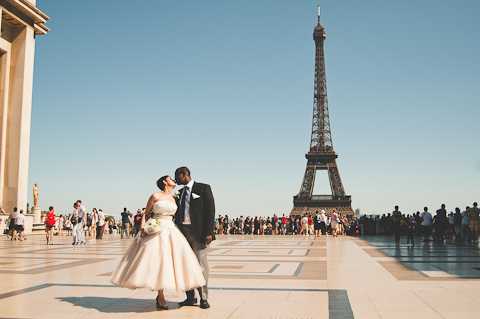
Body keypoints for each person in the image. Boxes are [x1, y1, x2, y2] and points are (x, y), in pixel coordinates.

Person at [111, 175, 205, 310]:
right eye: (170, 178)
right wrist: (143, 227)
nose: (173, 179)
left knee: (171, 261)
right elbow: (146, 213)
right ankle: (160, 295)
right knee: (157, 260)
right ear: (164, 182)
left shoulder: (175, 197)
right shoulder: (155, 196)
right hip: (156, 228)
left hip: (171, 229)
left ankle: (192, 295)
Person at [174, 166, 215, 309]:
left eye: (177, 176)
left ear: (184, 174)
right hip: (182, 234)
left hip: (199, 234)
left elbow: (210, 211)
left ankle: (204, 297)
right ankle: (190, 297)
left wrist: (209, 231)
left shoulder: (203, 188)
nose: (176, 179)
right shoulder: (178, 193)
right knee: (185, 266)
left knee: (201, 267)